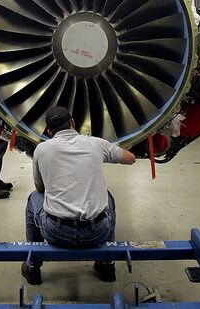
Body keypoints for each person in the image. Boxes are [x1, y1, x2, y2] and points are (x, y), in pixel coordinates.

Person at [23, 106, 136, 285]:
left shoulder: (41, 150)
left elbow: (40, 187)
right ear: (73, 123)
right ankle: (107, 264)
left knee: (33, 199)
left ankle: (33, 266)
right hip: (97, 232)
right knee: (108, 198)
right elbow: (131, 158)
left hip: (56, 232)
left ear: (50, 132)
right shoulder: (96, 143)